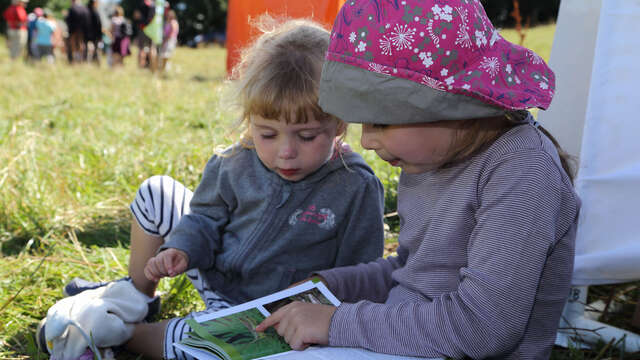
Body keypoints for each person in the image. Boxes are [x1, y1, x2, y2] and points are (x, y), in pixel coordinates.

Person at [36, 17, 386, 360]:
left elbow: (361, 271)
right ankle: (138, 299)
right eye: (267, 134)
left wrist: (319, 307)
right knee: (156, 193)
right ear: (250, 120)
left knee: (205, 347)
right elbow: (203, 219)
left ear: (339, 122)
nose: (286, 151)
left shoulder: (355, 186)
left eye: (307, 136)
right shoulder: (235, 161)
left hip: (268, 316)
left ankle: (122, 334)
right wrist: (181, 250)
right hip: (213, 275)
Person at [256, 1, 581, 359]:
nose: (366, 141)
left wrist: (337, 323)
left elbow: (484, 327)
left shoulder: (522, 172)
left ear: (450, 106)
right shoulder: (429, 157)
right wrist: (332, 285)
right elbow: (413, 271)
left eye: (381, 121)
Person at [85, 0, 102, 64]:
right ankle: (95, 62)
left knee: (88, 49)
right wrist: (100, 36)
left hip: (86, 35)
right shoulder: (95, 12)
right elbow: (98, 24)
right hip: (95, 36)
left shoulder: (86, 11)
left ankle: (88, 62)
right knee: (95, 50)